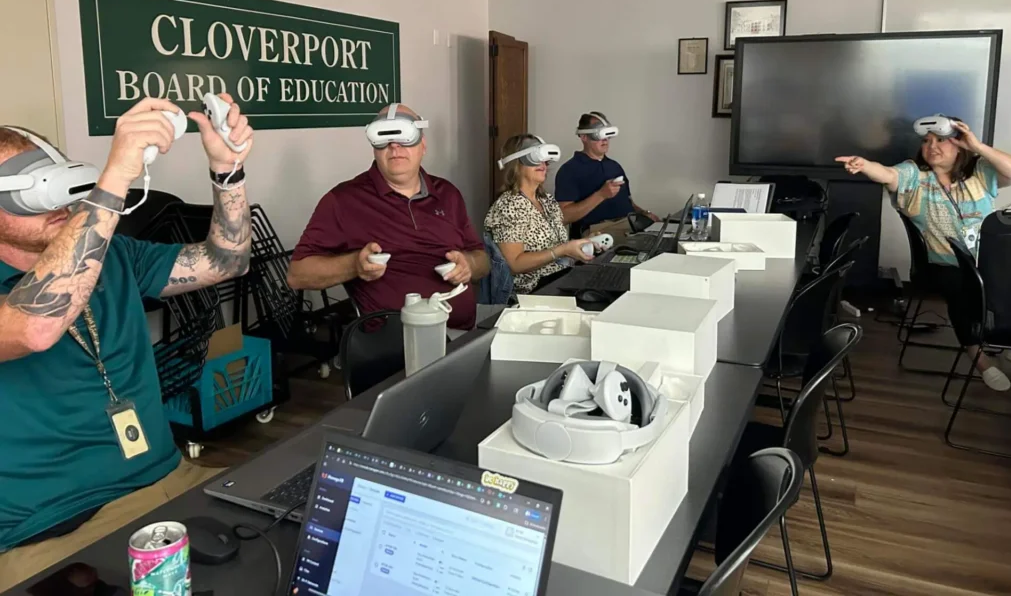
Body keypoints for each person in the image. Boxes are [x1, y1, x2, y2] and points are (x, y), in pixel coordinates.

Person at [0, 96, 254, 589]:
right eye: (26, 190)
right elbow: (35, 326)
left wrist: (228, 173)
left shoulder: (111, 257)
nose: (55, 200)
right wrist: (114, 177)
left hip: (168, 481)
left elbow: (227, 262)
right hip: (52, 533)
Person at [836, 117, 1011, 391]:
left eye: (940, 140)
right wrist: (865, 166)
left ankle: (1008, 340)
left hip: (988, 261)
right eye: (926, 141)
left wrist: (978, 146)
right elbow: (889, 174)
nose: (931, 146)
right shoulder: (915, 175)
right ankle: (978, 355)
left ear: (960, 145)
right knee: (965, 285)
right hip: (942, 265)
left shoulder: (980, 172)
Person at [287, 104, 489, 331]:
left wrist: (469, 264)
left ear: (423, 145)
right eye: (384, 138)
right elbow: (298, 274)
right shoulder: (343, 201)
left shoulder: (448, 194)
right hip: (395, 345)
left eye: (405, 136)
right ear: (374, 148)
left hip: (462, 334)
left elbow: (482, 260)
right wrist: (355, 265)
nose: (395, 146)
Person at [484, 134, 594, 295]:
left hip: (562, 278)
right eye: (535, 158)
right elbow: (514, 264)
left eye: (544, 159)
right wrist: (562, 250)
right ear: (516, 163)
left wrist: (582, 245)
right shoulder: (509, 205)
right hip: (533, 292)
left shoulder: (547, 200)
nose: (543, 164)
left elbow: (561, 248)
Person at [555, 111, 659, 237]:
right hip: (597, 232)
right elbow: (564, 217)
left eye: (607, 134)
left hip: (630, 224)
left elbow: (628, 202)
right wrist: (601, 195)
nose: (604, 140)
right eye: (598, 134)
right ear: (584, 137)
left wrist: (644, 213)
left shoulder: (614, 166)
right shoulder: (569, 170)